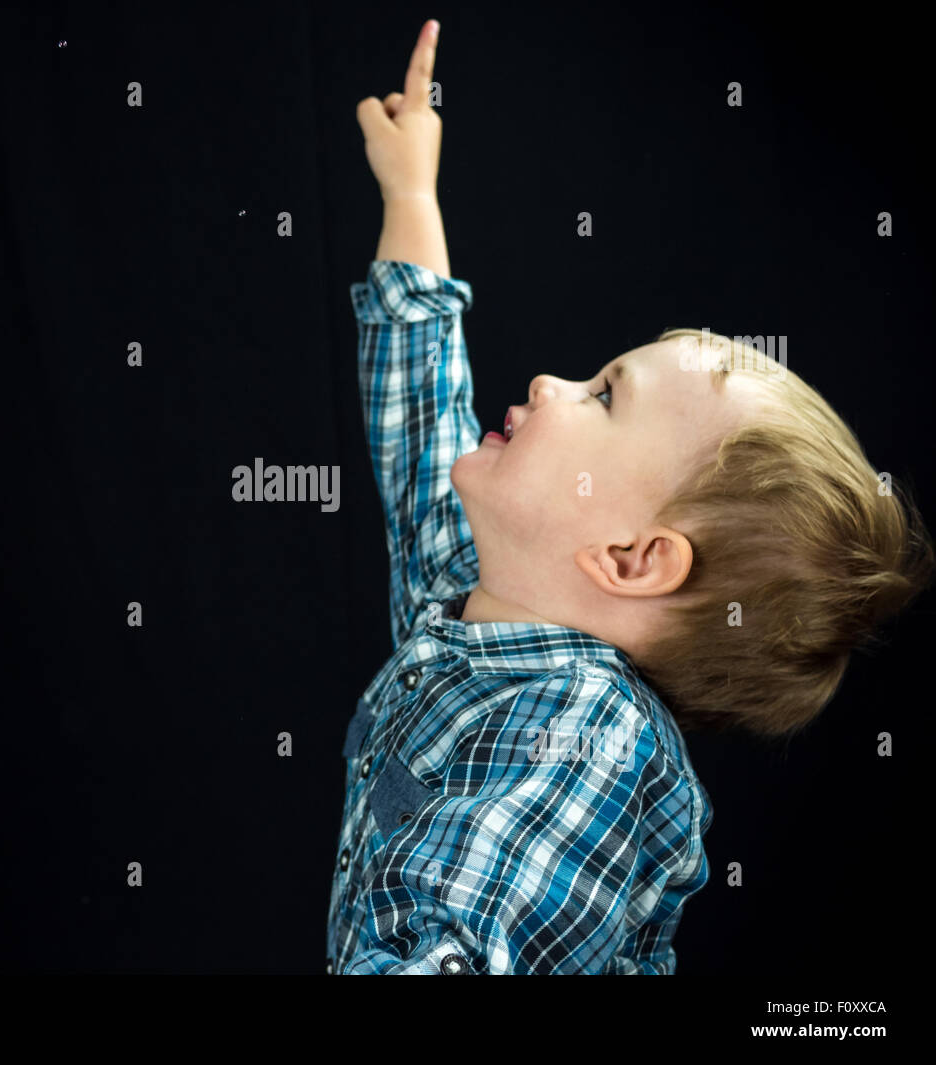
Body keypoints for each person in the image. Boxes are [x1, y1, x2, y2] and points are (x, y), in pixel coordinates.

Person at [326, 18, 934, 974]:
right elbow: (421, 417)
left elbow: (461, 937)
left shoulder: (583, 737)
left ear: (632, 557)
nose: (549, 384)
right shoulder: (486, 596)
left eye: (604, 396)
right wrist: (411, 195)